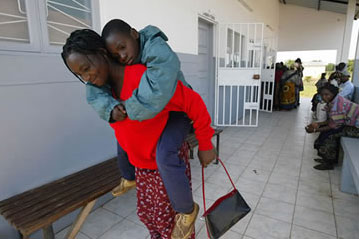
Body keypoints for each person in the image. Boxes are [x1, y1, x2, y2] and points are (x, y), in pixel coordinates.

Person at [62, 29, 216, 238]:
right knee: (149, 219)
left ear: (102, 52)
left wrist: (206, 144)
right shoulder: (104, 95)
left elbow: (193, 103)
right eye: (80, 75)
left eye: (87, 68)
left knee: (170, 227)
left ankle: (187, 212)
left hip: (164, 172)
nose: (87, 77)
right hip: (142, 171)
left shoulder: (146, 81)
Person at [305, 83, 359, 170]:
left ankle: (329, 162)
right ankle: (328, 158)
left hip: (356, 129)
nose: (324, 97)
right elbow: (333, 120)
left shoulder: (338, 106)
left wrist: (315, 130)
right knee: (326, 132)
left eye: (327, 95)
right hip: (348, 123)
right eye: (322, 95)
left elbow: (333, 126)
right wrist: (318, 124)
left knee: (330, 135)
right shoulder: (334, 101)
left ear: (333, 94)